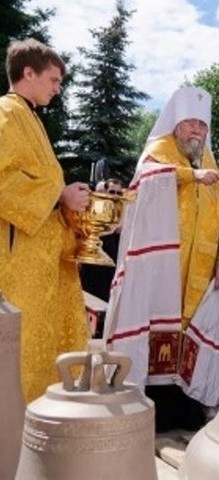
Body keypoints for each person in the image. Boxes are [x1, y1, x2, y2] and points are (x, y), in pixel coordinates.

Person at [104, 86, 219, 431]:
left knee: (192, 339)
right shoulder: (158, 153)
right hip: (161, 272)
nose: (196, 131)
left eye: (202, 126)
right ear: (176, 125)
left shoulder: (210, 162)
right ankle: (147, 415)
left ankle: (188, 412)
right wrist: (189, 176)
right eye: (190, 124)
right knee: (155, 333)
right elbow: (145, 184)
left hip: (201, 273)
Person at [0, 38, 90, 403]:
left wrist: (70, 202)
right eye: (53, 79)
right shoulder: (7, 115)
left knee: (49, 344)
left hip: (44, 261)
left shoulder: (28, 117)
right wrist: (59, 195)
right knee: (22, 349)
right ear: (28, 73)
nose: (58, 87)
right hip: (20, 263)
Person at [80, 178, 124, 306]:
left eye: (118, 193)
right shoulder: (96, 205)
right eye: (112, 192)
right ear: (105, 192)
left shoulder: (123, 208)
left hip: (113, 256)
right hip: (94, 258)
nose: (115, 195)